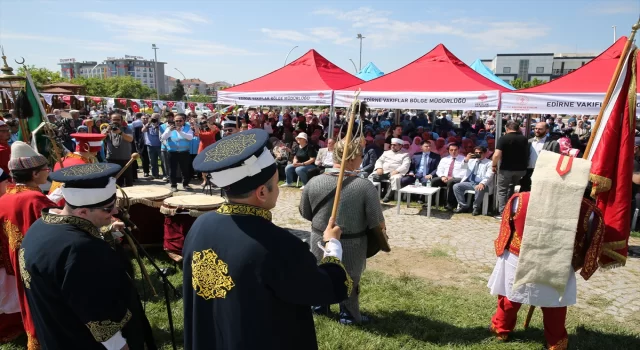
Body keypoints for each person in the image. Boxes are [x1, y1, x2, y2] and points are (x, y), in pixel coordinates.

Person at [184, 129, 352, 349]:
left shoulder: (199, 225)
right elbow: (328, 287)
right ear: (262, 192)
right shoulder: (278, 245)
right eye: (276, 182)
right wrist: (332, 246)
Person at [20, 163, 157, 349]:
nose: (115, 211)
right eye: (108, 208)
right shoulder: (82, 249)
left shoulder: (39, 227)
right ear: (82, 211)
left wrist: (106, 233)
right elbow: (100, 318)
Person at [488, 190, 604, 350]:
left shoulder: (520, 199)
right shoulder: (588, 210)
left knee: (512, 295)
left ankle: (501, 328)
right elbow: (590, 242)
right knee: (554, 303)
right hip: (556, 261)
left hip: (521, 257)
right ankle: (556, 341)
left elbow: (507, 232)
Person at [300, 134, 388, 325]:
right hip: (351, 242)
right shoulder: (364, 186)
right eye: (360, 155)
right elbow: (376, 222)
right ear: (350, 158)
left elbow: (305, 213)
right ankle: (347, 314)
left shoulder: (313, 181)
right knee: (350, 276)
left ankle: (320, 306)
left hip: (319, 237)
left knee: (321, 271)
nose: (362, 159)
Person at [0, 142, 55, 347]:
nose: (47, 172)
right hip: (40, 265)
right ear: (33, 174)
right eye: (44, 169)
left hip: (18, 262)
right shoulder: (36, 200)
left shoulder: (6, 197)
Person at [48, 133, 106, 204]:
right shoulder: (84, 166)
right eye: (96, 151)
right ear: (87, 148)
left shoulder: (62, 160)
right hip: (70, 203)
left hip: (53, 202)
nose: (96, 153)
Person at [492, 120, 529, 216]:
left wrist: (494, 165)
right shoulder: (524, 139)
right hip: (521, 169)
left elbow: (496, 155)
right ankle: (513, 210)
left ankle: (503, 212)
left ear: (507, 128)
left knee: (502, 190)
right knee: (513, 189)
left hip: (506, 169)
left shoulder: (503, 138)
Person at [520, 122, 561, 193]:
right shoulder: (529, 141)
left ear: (547, 130)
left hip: (543, 173)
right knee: (524, 192)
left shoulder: (553, 143)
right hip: (528, 171)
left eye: (540, 129)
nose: (537, 130)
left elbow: (556, 160)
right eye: (535, 128)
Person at [452, 146, 493, 215]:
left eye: (480, 153)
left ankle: (476, 207)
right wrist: (466, 160)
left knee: (479, 188)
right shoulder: (471, 160)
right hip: (471, 182)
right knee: (456, 186)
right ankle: (463, 206)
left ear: (485, 153)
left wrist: (482, 183)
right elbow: (462, 167)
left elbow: (489, 175)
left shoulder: (489, 163)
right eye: (476, 153)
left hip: (483, 184)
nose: (478, 154)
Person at [161, 113, 194, 192]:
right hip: (172, 152)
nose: (178, 122)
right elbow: (163, 137)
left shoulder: (187, 128)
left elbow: (190, 137)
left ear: (184, 121)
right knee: (172, 170)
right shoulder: (169, 128)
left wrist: (180, 132)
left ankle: (185, 184)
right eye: (176, 121)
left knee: (185, 169)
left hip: (184, 152)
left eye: (180, 121)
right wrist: (169, 130)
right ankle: (173, 185)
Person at [431, 143, 466, 210]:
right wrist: (442, 176)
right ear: (449, 151)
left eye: (455, 150)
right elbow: (439, 170)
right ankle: (432, 201)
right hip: (445, 178)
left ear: (458, 150)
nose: (453, 152)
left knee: (451, 182)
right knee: (434, 181)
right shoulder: (444, 159)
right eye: (451, 150)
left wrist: (453, 177)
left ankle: (450, 204)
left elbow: (464, 172)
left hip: (457, 179)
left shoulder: (464, 160)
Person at [103, 112, 135, 187]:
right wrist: (107, 131)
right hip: (111, 158)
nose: (116, 121)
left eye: (118, 119)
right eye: (114, 119)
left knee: (128, 181)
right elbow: (101, 138)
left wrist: (120, 133)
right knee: (114, 181)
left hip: (125, 159)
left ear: (121, 121)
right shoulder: (106, 129)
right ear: (110, 120)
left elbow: (130, 139)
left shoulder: (127, 129)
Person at [142, 113, 164, 179]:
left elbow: (160, 134)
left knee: (163, 161)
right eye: (153, 118)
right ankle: (155, 174)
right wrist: (148, 124)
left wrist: (157, 126)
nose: (154, 119)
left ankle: (165, 175)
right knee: (153, 161)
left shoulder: (162, 125)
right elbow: (143, 130)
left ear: (159, 118)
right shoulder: (148, 125)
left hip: (160, 145)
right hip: (150, 146)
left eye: (156, 118)